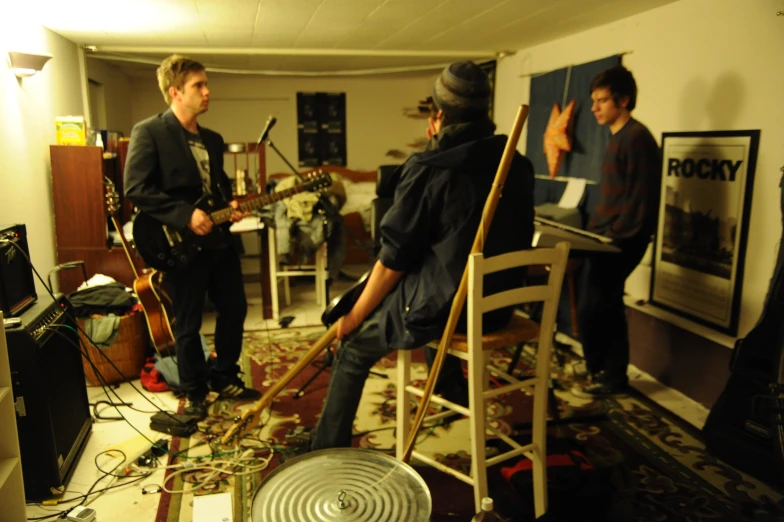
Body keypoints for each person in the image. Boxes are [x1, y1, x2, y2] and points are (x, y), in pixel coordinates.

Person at [310, 61, 535, 450]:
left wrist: (353, 317)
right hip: (495, 307)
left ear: (438, 115)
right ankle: (450, 393)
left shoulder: (430, 167)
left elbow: (393, 260)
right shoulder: (519, 165)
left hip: (450, 313)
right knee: (433, 286)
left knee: (353, 343)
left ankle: (325, 449)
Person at [124, 55, 261, 419]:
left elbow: (218, 188)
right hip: (180, 245)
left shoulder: (213, 140)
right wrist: (185, 215)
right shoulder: (149, 132)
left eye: (205, 83)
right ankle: (195, 389)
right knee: (187, 322)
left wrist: (231, 207)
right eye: (198, 85)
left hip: (218, 241)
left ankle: (224, 376)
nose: (206, 91)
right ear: (175, 92)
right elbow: (135, 188)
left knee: (235, 309)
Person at [572, 65, 662, 398]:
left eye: (601, 100)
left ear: (622, 100)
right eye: (594, 100)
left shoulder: (637, 138)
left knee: (599, 306)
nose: (594, 107)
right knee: (599, 306)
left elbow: (639, 200)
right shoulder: (618, 137)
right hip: (606, 239)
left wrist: (614, 238)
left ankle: (612, 377)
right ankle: (604, 372)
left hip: (622, 241)